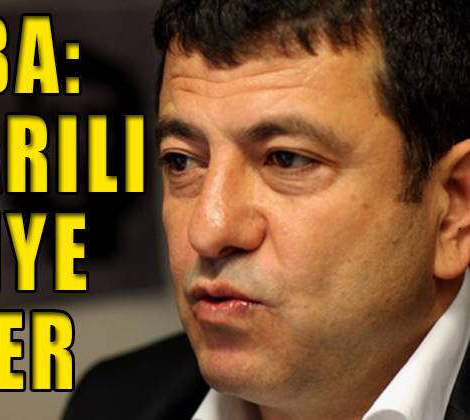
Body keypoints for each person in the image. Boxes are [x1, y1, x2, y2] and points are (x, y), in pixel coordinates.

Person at [62, 0, 470, 419]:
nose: (208, 230)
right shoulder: (113, 403)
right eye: (181, 161)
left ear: (454, 211)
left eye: (286, 159)